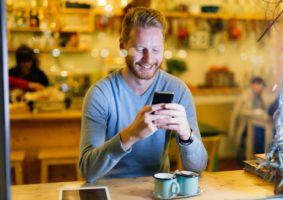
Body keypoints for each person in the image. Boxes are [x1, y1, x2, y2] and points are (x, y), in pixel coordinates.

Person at [79, 7, 207, 183]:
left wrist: (186, 134)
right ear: (122, 46)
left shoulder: (177, 90)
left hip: (158, 189)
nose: (148, 59)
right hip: (109, 190)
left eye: (156, 50)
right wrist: (130, 135)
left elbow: (198, 169)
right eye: (140, 49)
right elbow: (88, 170)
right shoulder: (100, 94)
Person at [229, 76, 270, 160]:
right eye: (258, 84)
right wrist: (254, 113)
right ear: (252, 85)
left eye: (261, 85)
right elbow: (240, 112)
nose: (260, 87)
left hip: (259, 122)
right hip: (246, 125)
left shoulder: (260, 96)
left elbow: (266, 108)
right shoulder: (244, 96)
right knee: (258, 136)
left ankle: (261, 157)